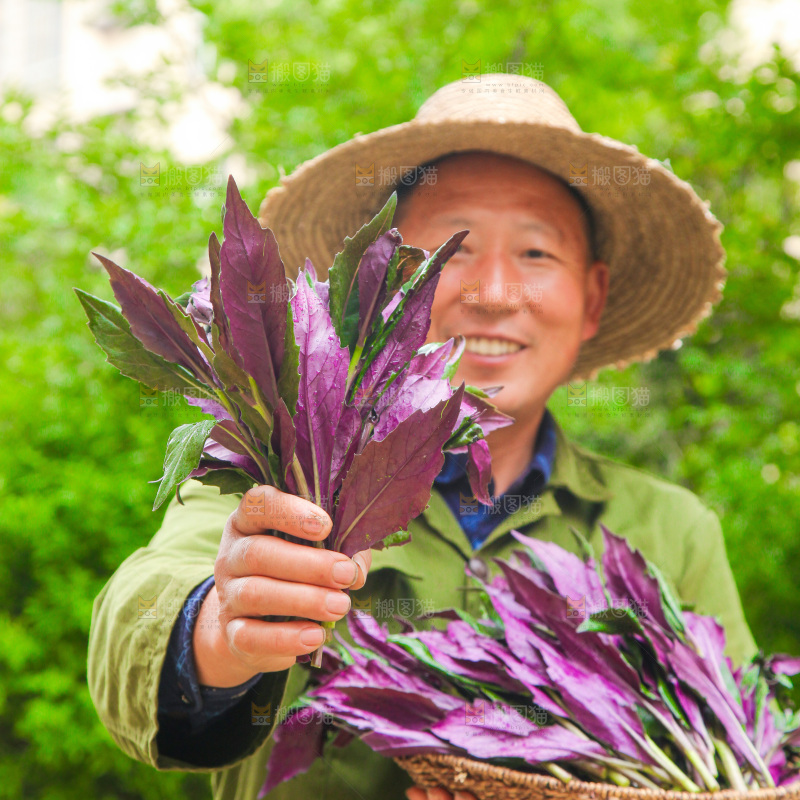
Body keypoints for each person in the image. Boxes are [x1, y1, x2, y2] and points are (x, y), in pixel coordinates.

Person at [87, 73, 756, 800]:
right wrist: (218, 627)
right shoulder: (281, 481)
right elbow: (145, 610)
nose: (495, 293)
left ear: (591, 297)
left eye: (536, 254)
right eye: (454, 249)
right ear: (386, 284)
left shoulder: (671, 532)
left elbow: (748, 758)